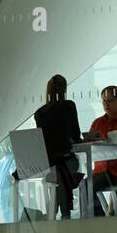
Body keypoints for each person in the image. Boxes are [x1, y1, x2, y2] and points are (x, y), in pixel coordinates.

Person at [34, 74, 82, 218]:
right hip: (66, 163)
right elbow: (75, 135)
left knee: (58, 174)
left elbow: (42, 141)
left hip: (48, 166)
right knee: (65, 168)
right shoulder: (69, 106)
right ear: (64, 90)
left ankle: (55, 213)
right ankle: (65, 214)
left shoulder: (39, 113)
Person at [85, 83, 117, 216]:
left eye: (111, 101)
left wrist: (107, 142)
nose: (106, 104)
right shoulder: (97, 123)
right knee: (85, 186)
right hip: (103, 169)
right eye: (104, 101)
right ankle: (98, 217)